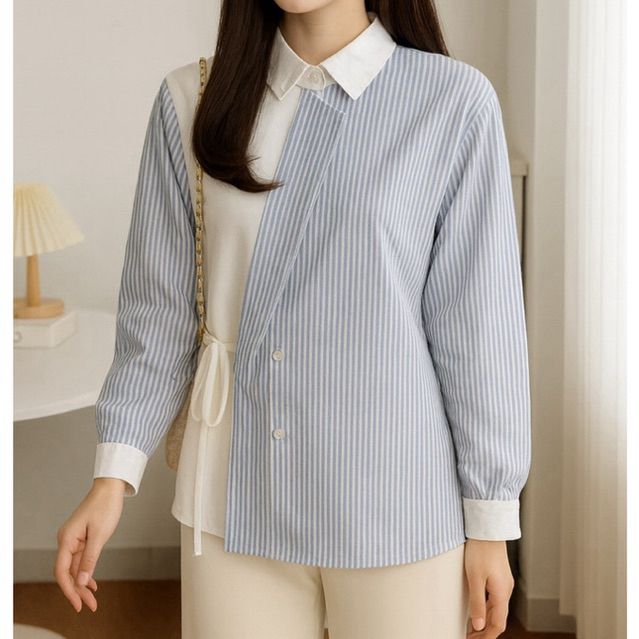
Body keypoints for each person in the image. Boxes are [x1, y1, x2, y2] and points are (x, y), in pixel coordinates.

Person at [55, 1, 532, 637]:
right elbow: (159, 318)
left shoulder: (453, 102)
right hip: (232, 498)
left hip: (400, 503)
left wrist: (491, 523)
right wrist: (113, 476)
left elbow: (478, 332)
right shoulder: (191, 99)